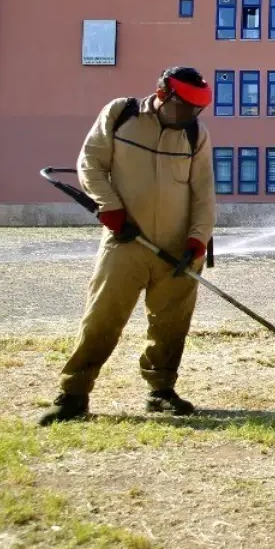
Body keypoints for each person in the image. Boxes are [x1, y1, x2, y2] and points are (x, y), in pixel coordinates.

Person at [39, 67, 216, 425]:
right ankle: (73, 394)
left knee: (170, 326)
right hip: (124, 242)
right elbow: (90, 163)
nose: (188, 116)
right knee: (102, 318)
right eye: (183, 107)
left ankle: (161, 391)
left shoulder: (195, 135)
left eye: (195, 110)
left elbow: (204, 192)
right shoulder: (122, 115)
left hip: (177, 250)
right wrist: (110, 208)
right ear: (163, 92)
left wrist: (198, 239)